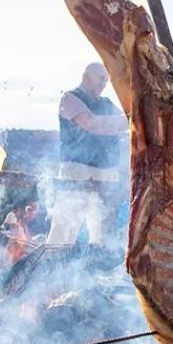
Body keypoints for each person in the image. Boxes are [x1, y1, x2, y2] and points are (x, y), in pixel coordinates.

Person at [46, 62, 128, 254]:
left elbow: (126, 121)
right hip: (77, 172)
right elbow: (91, 124)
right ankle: (52, 265)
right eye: (101, 79)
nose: (104, 84)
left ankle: (96, 269)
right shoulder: (70, 99)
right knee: (64, 231)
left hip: (105, 174)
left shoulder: (106, 103)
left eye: (106, 80)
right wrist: (123, 122)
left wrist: (127, 120)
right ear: (87, 77)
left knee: (101, 232)